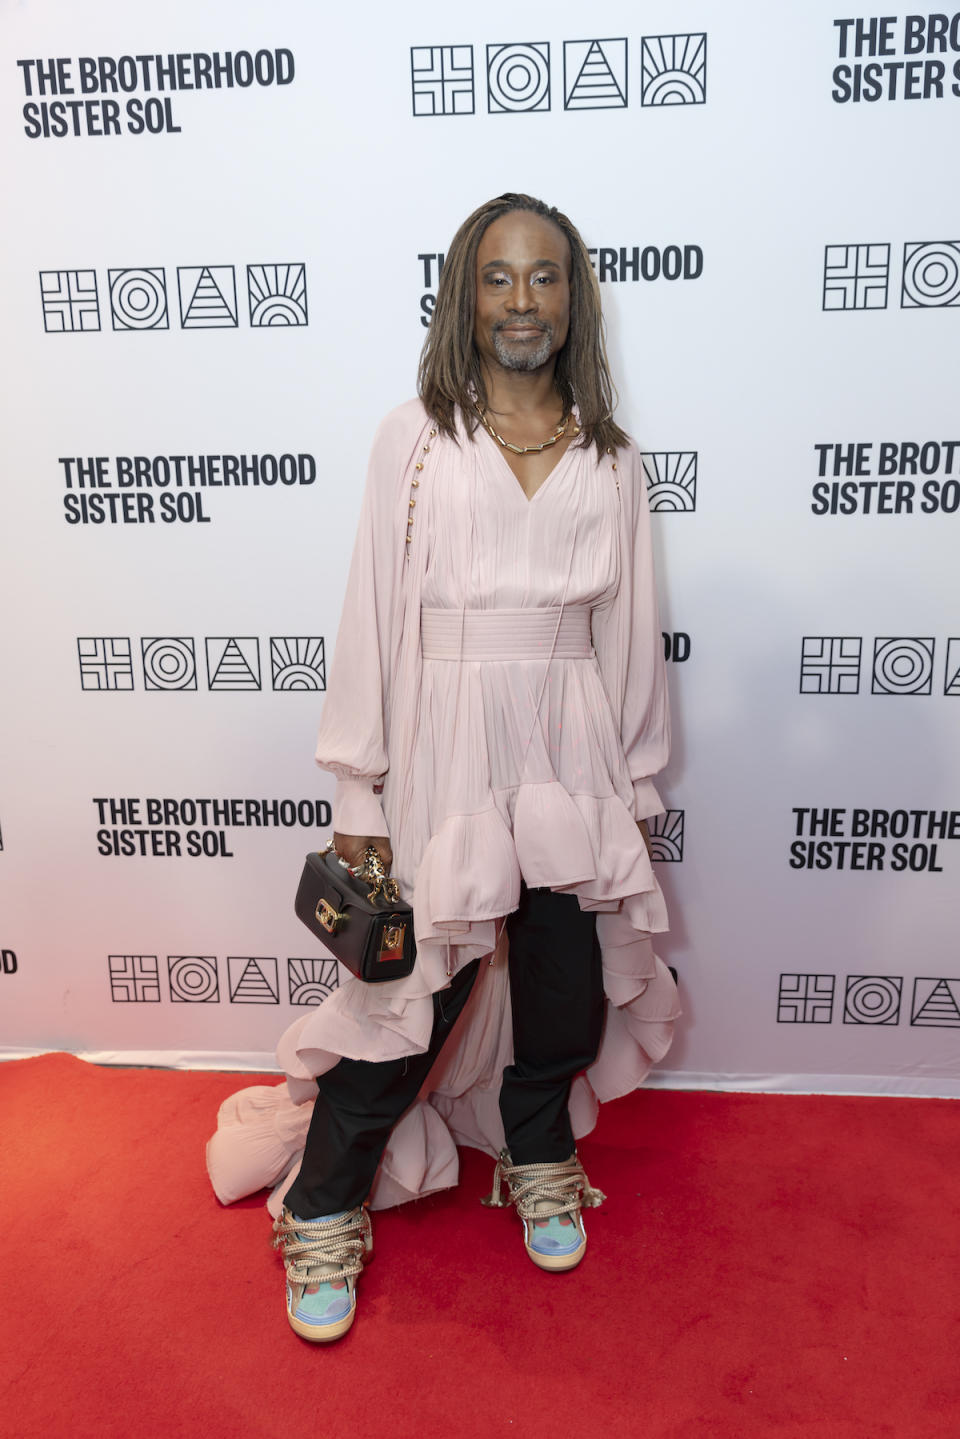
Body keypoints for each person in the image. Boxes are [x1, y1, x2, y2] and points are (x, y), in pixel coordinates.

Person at [206, 193, 680, 1343]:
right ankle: (323, 1204)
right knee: (412, 993)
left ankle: (537, 1145)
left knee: (564, 977)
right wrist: (357, 791)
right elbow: (369, 615)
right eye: (500, 277)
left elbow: (629, 639)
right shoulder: (412, 438)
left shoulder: (613, 460)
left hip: (571, 748)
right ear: (466, 294)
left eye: (547, 277)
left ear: (576, 299)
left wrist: (635, 785)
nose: (525, 299)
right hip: (445, 748)